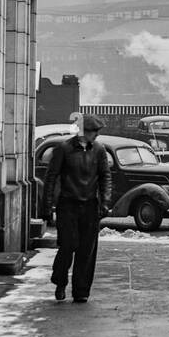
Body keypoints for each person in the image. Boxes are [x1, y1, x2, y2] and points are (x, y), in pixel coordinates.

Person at [45, 114, 113, 303]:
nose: (96, 136)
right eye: (93, 132)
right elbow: (51, 177)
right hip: (67, 205)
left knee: (86, 250)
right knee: (68, 245)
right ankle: (60, 280)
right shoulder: (64, 149)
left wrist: (105, 201)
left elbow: (105, 176)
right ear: (84, 132)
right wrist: (48, 206)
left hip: (90, 206)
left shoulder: (99, 150)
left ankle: (81, 291)